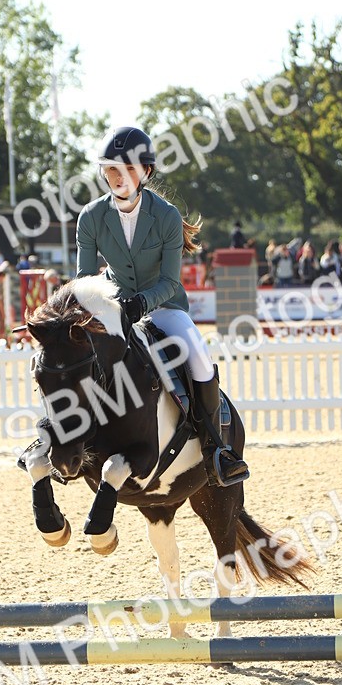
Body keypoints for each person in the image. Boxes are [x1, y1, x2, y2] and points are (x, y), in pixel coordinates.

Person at [75, 125, 249, 487]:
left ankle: (218, 451)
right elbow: (85, 279)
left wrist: (141, 303)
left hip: (166, 307)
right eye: (111, 169)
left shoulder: (166, 216)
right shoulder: (90, 217)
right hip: (115, 306)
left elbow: (170, 281)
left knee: (199, 359)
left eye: (128, 169)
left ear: (146, 172)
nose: (119, 177)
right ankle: (66, 437)